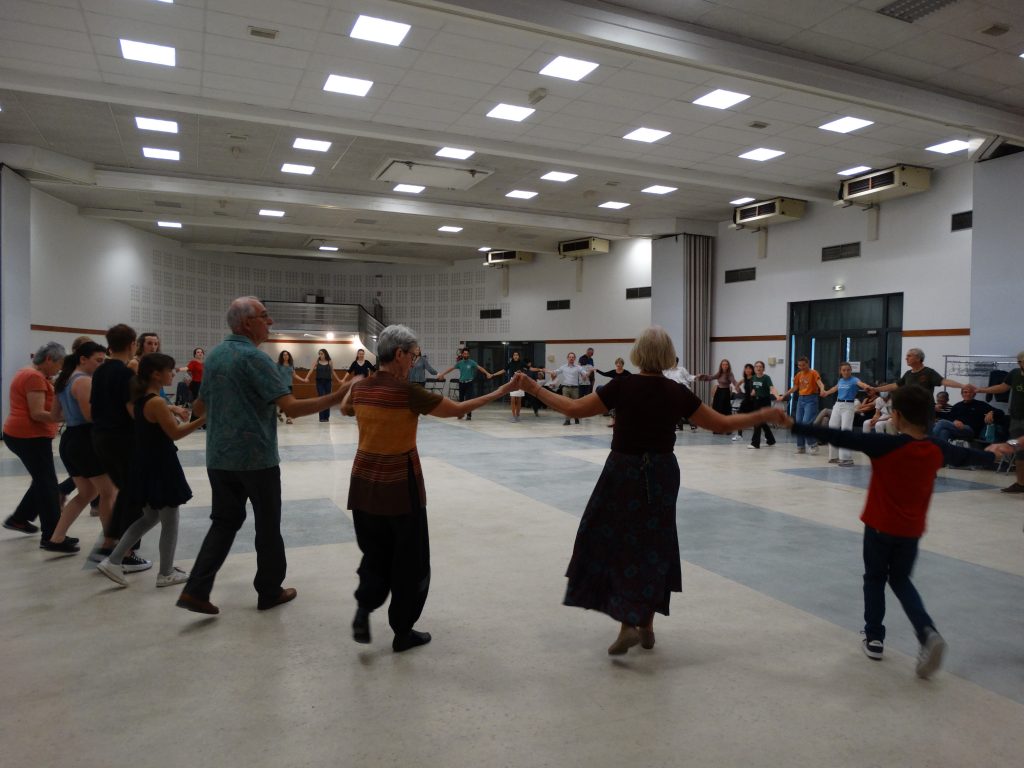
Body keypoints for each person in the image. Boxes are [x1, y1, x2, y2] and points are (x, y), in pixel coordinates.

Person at [511, 326, 784, 655]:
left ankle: (629, 623)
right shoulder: (675, 392)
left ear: (638, 353)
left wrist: (533, 388)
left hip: (622, 471)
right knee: (655, 543)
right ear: (668, 356)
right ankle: (647, 623)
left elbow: (573, 409)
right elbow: (721, 425)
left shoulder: (623, 386)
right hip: (661, 473)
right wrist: (763, 414)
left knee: (619, 543)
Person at [782, 385, 1016, 678]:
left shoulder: (887, 445)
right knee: (901, 580)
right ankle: (926, 632)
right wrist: (992, 455)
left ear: (897, 415)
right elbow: (965, 457)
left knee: (875, 578)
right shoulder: (937, 448)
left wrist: (792, 424)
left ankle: (875, 637)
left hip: (879, 527)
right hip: (911, 531)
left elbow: (840, 435)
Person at [176, 298, 357, 615]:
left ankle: (196, 589)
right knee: (268, 524)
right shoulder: (255, 359)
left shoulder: (215, 356)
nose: (270, 321)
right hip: (256, 458)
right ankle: (269, 590)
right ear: (246, 323)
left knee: (224, 522)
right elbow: (292, 408)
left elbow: (200, 407)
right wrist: (339, 395)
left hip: (219, 457)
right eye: (264, 316)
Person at [342, 324, 515, 652]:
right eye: (413, 356)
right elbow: (457, 410)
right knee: (411, 562)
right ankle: (402, 632)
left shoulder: (362, 388)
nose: (414, 362)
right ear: (399, 355)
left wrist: (354, 386)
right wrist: (499, 391)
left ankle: (364, 610)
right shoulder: (407, 393)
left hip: (363, 486)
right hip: (399, 488)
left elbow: (344, 408)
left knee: (374, 555)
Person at [96, 353, 205, 588]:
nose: (173, 373)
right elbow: (175, 434)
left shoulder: (143, 399)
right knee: (170, 518)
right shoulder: (156, 402)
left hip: (146, 463)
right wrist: (204, 419)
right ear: (156, 374)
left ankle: (114, 560)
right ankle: (166, 572)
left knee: (150, 516)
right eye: (170, 370)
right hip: (160, 465)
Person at [90, 324, 151, 572]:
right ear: (132, 344)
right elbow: (131, 410)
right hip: (122, 438)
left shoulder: (100, 371)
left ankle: (107, 544)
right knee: (133, 494)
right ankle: (124, 552)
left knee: (126, 491)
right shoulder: (125, 375)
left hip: (100, 437)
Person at [2, 342, 68, 550]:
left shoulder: (29, 372)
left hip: (25, 434)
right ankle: (52, 536)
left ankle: (19, 518)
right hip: (29, 436)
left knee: (42, 479)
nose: (60, 370)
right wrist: (69, 416)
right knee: (48, 484)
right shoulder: (34, 377)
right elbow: (37, 413)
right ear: (49, 359)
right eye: (59, 364)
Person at [50, 341, 116, 548]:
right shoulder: (83, 381)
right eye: (98, 360)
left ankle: (57, 538)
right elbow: (90, 415)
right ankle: (110, 543)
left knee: (88, 493)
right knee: (109, 492)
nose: (101, 364)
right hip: (86, 441)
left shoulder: (64, 380)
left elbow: (54, 415)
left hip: (71, 438)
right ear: (83, 359)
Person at [978, 350, 1024, 493]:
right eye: (1021, 361)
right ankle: (1021, 483)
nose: (1021, 364)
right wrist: (982, 390)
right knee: (1019, 451)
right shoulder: (1015, 374)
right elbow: (1003, 387)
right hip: (1016, 418)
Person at [873, 348, 965, 408]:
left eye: (909, 356)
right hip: (909, 407)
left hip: (924, 409)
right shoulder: (908, 374)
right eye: (906, 356)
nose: (906, 358)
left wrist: (962, 386)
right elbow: (894, 386)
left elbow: (944, 381)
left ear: (918, 358)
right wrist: (875, 389)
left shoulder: (928, 372)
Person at [821, 362, 871, 466]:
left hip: (848, 406)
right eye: (844, 370)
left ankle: (846, 458)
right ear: (840, 371)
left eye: (848, 370)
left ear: (851, 370)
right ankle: (833, 457)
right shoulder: (840, 381)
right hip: (837, 405)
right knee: (832, 428)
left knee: (845, 430)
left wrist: (867, 387)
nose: (846, 372)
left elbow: (861, 384)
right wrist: (826, 393)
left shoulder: (854, 380)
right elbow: (834, 389)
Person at [778, 356, 825, 454]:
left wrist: (822, 389)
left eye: (803, 365)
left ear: (808, 364)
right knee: (798, 423)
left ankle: (813, 444)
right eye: (799, 365)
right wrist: (784, 395)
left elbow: (820, 383)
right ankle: (800, 446)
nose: (802, 367)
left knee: (805, 423)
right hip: (801, 399)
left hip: (811, 399)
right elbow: (795, 387)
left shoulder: (813, 373)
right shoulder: (798, 375)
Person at [437, 349, 492, 421]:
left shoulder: (472, 362)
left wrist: (487, 373)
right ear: (462, 355)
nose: (466, 355)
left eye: (467, 354)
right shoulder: (460, 363)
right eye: (464, 354)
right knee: (461, 400)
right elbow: (451, 369)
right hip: (461, 383)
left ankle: (469, 415)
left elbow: (480, 368)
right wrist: (442, 374)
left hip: (469, 383)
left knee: (469, 400)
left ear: (468, 355)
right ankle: (460, 414)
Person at [930, 384, 995, 444]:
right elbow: (949, 417)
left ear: (974, 394)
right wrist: (954, 421)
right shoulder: (957, 406)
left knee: (941, 423)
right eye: (965, 392)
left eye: (970, 392)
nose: (968, 394)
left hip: (970, 431)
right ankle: (941, 453)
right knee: (944, 432)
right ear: (962, 394)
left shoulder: (981, 405)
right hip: (957, 429)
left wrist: (991, 412)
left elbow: (1000, 412)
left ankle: (927, 443)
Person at [541, 352, 588, 426]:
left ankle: (576, 417)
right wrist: (547, 371)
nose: (571, 358)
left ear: (574, 359)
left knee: (575, 405)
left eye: (573, 357)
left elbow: (584, 373)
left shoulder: (578, 367)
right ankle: (567, 420)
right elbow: (555, 372)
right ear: (567, 358)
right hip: (565, 388)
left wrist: (585, 375)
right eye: (570, 357)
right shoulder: (563, 367)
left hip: (575, 388)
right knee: (566, 405)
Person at [696, 359, 740, 435]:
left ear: (728, 366)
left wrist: (738, 386)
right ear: (721, 366)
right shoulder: (719, 373)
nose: (725, 366)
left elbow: (734, 381)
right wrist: (702, 376)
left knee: (726, 410)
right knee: (717, 409)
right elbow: (711, 377)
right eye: (723, 364)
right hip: (719, 391)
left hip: (725, 392)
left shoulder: (729, 374)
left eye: (726, 364)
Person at [490, 350, 532, 422]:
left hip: (520, 382)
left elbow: (530, 368)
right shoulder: (510, 363)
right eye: (514, 355)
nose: (515, 356)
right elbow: (503, 370)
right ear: (512, 356)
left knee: (518, 400)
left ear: (519, 356)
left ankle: (517, 416)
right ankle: (513, 416)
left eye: (517, 355)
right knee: (512, 399)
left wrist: (540, 369)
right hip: (512, 381)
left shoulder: (522, 362)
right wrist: (493, 374)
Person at [748, 360, 778, 449]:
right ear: (754, 368)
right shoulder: (753, 378)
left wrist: (777, 395)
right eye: (756, 366)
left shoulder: (766, 378)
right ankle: (771, 440)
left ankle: (755, 443)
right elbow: (753, 390)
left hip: (765, 401)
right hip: (756, 401)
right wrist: (752, 393)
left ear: (763, 368)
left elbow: (772, 388)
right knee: (762, 422)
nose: (758, 368)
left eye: (760, 366)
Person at [275, 350, 310, 424]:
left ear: (289, 356)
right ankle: (288, 418)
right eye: (284, 355)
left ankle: (279, 413)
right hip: (281, 386)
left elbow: (294, 375)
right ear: (282, 356)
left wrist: (303, 380)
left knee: (287, 403)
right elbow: (275, 374)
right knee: (287, 403)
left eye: (287, 355)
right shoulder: (278, 364)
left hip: (290, 385)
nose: (285, 356)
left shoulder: (291, 364)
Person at [595, 358, 631, 427]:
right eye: (617, 363)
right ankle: (613, 422)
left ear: (622, 364)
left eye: (620, 363)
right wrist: (597, 370)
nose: (618, 364)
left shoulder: (626, 372)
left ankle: (620, 422)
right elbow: (605, 374)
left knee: (621, 407)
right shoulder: (613, 372)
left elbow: (631, 378)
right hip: (614, 392)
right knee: (613, 407)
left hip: (622, 392)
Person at [312, 348, 344, 422]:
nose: (320, 355)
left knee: (327, 399)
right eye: (319, 354)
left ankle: (326, 417)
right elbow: (311, 370)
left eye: (321, 354)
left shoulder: (330, 362)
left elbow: (333, 372)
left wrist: (339, 380)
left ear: (325, 354)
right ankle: (321, 417)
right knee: (321, 398)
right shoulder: (317, 362)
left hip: (328, 382)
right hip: (319, 382)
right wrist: (306, 378)